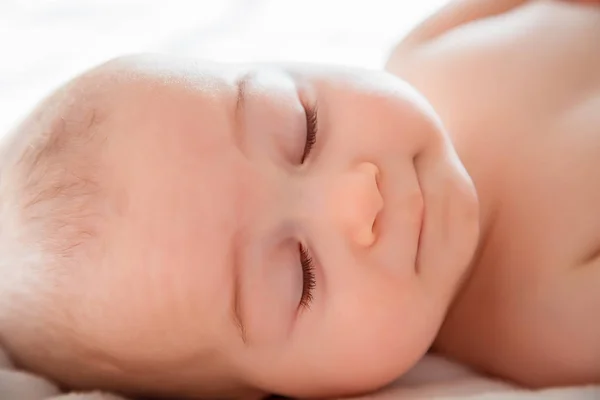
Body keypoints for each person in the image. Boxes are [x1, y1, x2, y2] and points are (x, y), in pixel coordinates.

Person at [0, 0, 598, 398]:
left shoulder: (429, 46)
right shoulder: (540, 320)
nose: (360, 201)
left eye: (302, 128)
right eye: (300, 276)